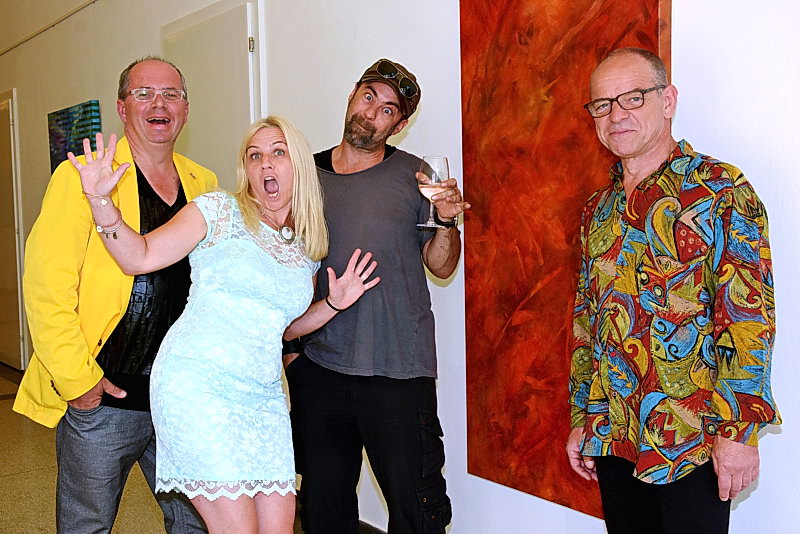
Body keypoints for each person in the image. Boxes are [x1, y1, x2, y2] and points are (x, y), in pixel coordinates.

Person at [67, 115, 379, 534]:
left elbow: (285, 328)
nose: (265, 164)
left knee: (278, 529)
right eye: (254, 156)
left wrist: (334, 304)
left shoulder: (306, 246)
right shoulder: (217, 210)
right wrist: (100, 201)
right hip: (199, 384)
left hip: (263, 397)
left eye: (278, 152)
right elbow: (138, 256)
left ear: (299, 165)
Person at [566, 47, 781, 534]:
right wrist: (582, 416)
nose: (616, 115)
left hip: (693, 440)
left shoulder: (720, 191)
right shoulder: (598, 209)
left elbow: (748, 318)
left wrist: (740, 431)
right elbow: (586, 321)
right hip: (615, 431)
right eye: (602, 104)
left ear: (668, 101)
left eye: (633, 97)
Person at [13, 57, 216, 533]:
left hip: (180, 397)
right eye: (144, 94)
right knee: (87, 524)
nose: (159, 104)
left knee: (196, 523)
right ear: (123, 108)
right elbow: (46, 288)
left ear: (186, 110)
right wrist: (78, 381)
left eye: (171, 94)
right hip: (106, 396)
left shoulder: (204, 183)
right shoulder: (81, 179)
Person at [284, 58, 469, 534]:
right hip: (320, 368)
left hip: (398, 370)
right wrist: (291, 355)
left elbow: (442, 265)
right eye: (369, 97)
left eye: (388, 110)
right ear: (352, 94)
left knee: (417, 509)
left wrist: (447, 222)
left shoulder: (417, 176)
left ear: (399, 125)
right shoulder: (305, 176)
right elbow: (281, 266)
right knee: (323, 509)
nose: (371, 113)